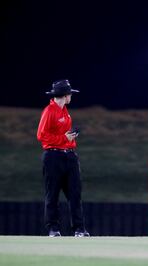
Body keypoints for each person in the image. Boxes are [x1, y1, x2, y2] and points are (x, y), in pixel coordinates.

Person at [37, 79, 90, 237]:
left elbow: (63, 136)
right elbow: (41, 135)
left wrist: (71, 137)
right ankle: (53, 229)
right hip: (53, 156)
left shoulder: (65, 111)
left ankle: (79, 229)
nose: (71, 97)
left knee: (75, 194)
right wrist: (64, 138)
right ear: (65, 95)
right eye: (69, 94)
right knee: (52, 194)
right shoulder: (49, 110)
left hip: (69, 156)